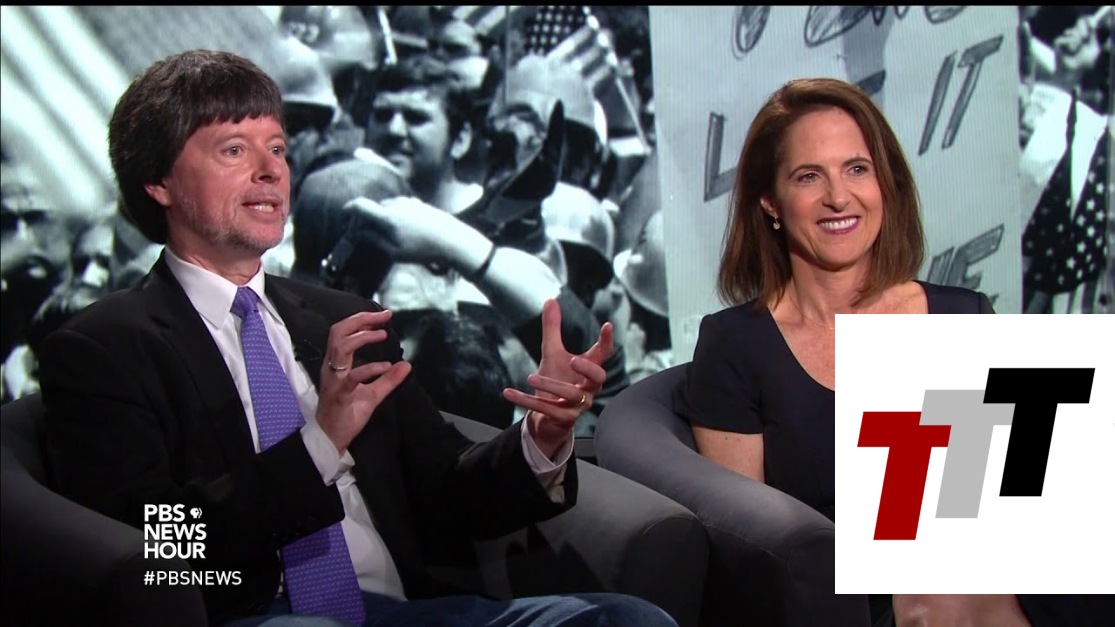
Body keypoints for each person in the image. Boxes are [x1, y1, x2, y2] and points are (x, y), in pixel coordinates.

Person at [36, 48, 677, 627]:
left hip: (412, 613)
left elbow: (446, 491)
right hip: (256, 613)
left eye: (277, 149)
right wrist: (319, 444)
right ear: (159, 181)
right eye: (234, 151)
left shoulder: (344, 319)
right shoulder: (102, 347)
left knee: (630, 620)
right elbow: (155, 550)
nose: (270, 171)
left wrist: (542, 436)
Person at [674, 77, 1092, 627]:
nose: (838, 197)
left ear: (885, 185)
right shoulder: (735, 344)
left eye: (857, 169)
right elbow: (745, 551)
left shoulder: (962, 315)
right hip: (856, 605)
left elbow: (1019, 508)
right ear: (771, 201)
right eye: (808, 176)